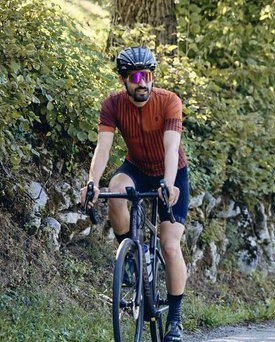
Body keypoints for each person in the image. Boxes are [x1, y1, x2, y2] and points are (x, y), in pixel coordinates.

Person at [79, 46, 190, 341]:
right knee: (114, 191)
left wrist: (168, 183)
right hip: (137, 168)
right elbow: (103, 149)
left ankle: (176, 318)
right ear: (123, 79)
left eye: (148, 75)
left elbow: (170, 147)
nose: (143, 82)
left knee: (169, 245)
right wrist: (93, 182)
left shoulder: (169, 101)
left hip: (172, 172)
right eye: (135, 76)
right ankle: (130, 257)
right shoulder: (113, 105)